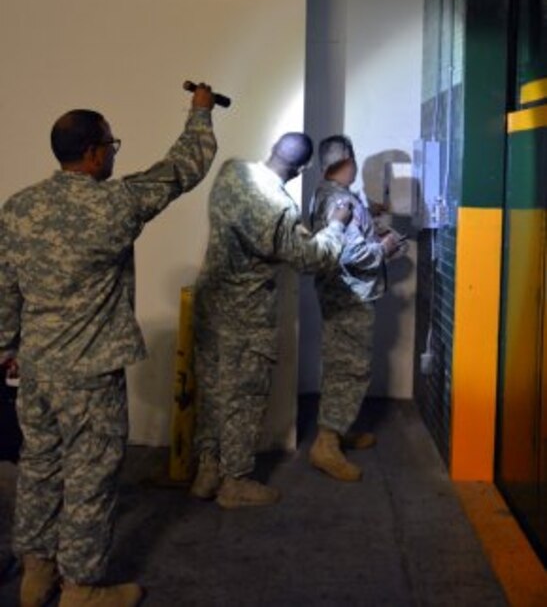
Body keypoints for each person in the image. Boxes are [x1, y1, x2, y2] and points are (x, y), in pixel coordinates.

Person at [0, 84, 217, 607]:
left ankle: (36, 574)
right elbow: (182, 169)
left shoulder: (18, 208)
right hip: (91, 374)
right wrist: (200, 114)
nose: (114, 153)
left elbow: (4, 284)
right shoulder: (115, 205)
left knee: (40, 467)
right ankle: (81, 587)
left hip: (36, 370)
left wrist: (6, 342)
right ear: (94, 153)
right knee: (90, 477)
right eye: (113, 145)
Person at [190, 132, 352, 508]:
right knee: (242, 399)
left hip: (210, 304)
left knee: (212, 394)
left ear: (274, 149)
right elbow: (311, 259)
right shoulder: (279, 207)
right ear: (301, 170)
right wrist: (337, 226)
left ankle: (207, 472)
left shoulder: (232, 172)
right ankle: (235, 483)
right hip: (246, 318)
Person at [309, 135, 402, 482]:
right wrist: (385, 248)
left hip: (341, 295)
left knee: (341, 364)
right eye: (352, 160)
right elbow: (351, 254)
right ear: (344, 162)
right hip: (350, 297)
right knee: (350, 368)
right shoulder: (338, 200)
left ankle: (338, 426)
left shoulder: (329, 193)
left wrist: (368, 217)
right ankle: (326, 444)